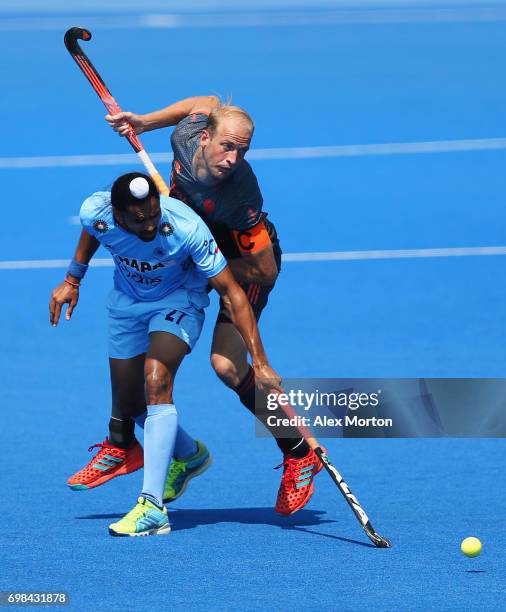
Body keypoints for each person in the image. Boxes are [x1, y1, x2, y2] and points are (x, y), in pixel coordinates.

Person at [52, 97, 323, 516]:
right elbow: (206, 101)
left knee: (227, 366)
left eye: (243, 150)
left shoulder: (240, 193)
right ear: (205, 135)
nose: (233, 158)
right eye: (227, 146)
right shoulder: (184, 135)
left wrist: (261, 359)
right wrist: (143, 122)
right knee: (138, 381)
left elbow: (263, 269)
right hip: (186, 252)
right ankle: (175, 453)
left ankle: (298, 452)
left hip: (239, 269)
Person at [50, 171, 281, 536]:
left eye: (153, 214)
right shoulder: (97, 211)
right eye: (138, 219)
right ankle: (189, 455)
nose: (148, 225)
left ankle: (152, 508)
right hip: (127, 304)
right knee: (132, 405)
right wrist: (72, 279)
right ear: (118, 213)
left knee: (156, 379)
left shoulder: (186, 228)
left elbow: (232, 292)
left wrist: (261, 361)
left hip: (179, 302)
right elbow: (92, 231)